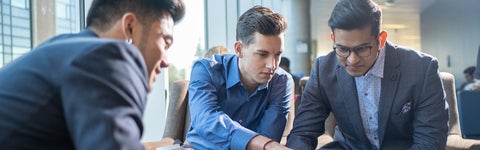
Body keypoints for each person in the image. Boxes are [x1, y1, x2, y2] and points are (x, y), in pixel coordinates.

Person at [0, 0, 184, 149]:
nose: (166, 61)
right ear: (129, 28)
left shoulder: (61, 50)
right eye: (165, 42)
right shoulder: (108, 57)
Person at [286, 0, 449, 149]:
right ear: (333, 40)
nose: (352, 60)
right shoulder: (323, 69)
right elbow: (303, 132)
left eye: (362, 48)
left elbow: (430, 141)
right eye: (343, 49)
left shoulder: (422, 68)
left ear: (381, 39)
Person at [186, 5, 292, 150]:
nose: (272, 65)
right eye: (262, 54)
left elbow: (268, 137)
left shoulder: (282, 82)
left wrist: (264, 144)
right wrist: (263, 144)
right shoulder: (206, 70)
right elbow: (206, 120)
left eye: (278, 55)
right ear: (239, 49)